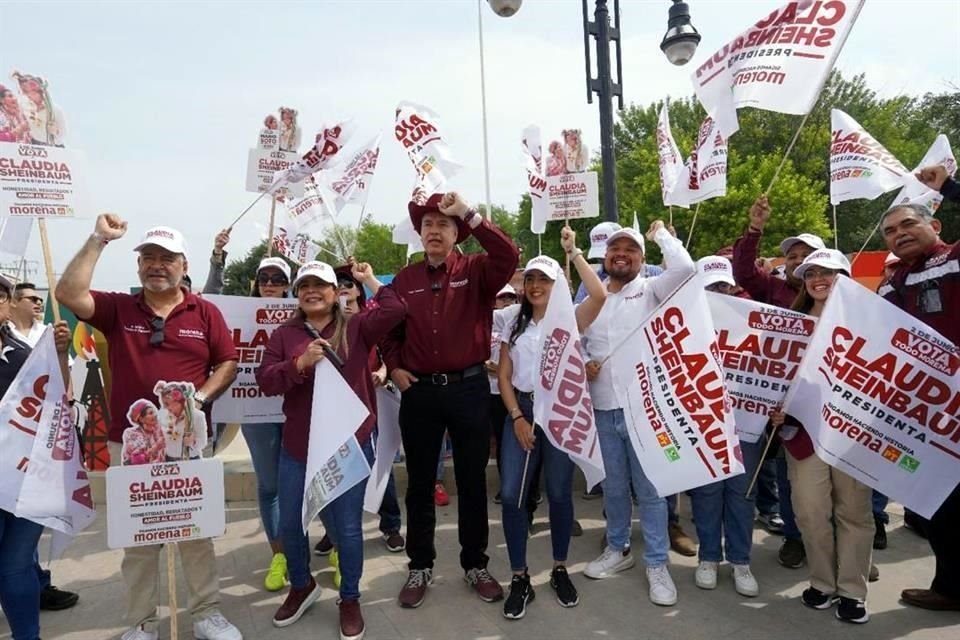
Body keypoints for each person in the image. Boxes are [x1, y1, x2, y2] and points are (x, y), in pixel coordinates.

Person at [55, 217, 243, 640]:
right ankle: (141, 621)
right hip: (133, 444)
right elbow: (68, 293)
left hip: (189, 442)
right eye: (149, 258)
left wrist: (201, 398)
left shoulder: (205, 311)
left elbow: (227, 363)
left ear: (183, 264)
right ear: (138, 265)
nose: (157, 266)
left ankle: (208, 611)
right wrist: (99, 239)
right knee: (138, 537)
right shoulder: (119, 308)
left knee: (196, 531)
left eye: (167, 259)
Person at [382, 191, 519, 608]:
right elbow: (389, 329)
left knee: (473, 481)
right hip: (420, 391)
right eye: (427, 225)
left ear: (456, 232)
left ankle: (475, 562)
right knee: (420, 483)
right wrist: (394, 365)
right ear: (420, 234)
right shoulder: (404, 280)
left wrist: (469, 213)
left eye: (443, 224)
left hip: (469, 389)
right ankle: (419, 565)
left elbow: (508, 254)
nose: (434, 231)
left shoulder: (478, 269)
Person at [257, 260, 405, 638]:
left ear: (334, 291)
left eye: (320, 285)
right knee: (292, 522)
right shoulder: (285, 334)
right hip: (299, 447)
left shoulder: (357, 326)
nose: (311, 291)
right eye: (304, 285)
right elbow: (267, 381)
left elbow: (396, 309)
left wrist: (367, 277)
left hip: (348, 447)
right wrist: (299, 363)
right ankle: (302, 585)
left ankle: (350, 597)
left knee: (348, 529)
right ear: (297, 292)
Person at [581, 221, 695, 606]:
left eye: (630, 250)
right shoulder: (591, 299)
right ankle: (618, 549)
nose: (622, 255)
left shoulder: (652, 289)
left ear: (642, 260)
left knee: (650, 492)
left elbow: (684, 269)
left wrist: (661, 234)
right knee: (613, 488)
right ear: (605, 257)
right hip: (602, 409)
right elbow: (569, 341)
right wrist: (583, 363)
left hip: (645, 410)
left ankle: (657, 562)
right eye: (616, 249)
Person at [497, 226, 606, 620]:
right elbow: (505, 377)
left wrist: (574, 252)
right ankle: (520, 577)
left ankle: (559, 568)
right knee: (512, 495)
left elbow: (599, 295)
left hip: (560, 412)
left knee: (560, 493)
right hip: (523, 411)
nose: (537, 285)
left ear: (558, 284)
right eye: (531, 278)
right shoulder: (513, 322)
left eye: (545, 278)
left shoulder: (571, 320)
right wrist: (516, 417)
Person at [769, 248, 872, 624]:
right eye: (812, 272)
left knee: (854, 513)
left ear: (845, 276)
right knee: (811, 513)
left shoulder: (869, 322)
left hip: (851, 435)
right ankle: (822, 583)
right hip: (803, 435)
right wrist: (777, 407)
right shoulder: (791, 324)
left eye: (829, 271)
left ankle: (852, 592)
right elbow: (774, 377)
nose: (819, 278)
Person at [732, 195, 826, 570]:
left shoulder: (839, 295)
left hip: (829, 400)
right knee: (790, 475)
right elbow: (742, 272)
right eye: (791, 256)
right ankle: (795, 537)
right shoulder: (772, 289)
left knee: (839, 481)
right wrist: (754, 228)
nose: (797, 262)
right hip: (780, 403)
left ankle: (844, 547)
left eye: (806, 256)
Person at [876, 189, 960, 611]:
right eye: (890, 231)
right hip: (925, 414)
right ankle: (949, 587)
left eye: (908, 224)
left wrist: (950, 186)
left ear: (936, 225)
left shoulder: (954, 260)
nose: (899, 234)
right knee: (938, 507)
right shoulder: (892, 281)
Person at [0, 275, 72, 640]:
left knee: (15, 567)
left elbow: (58, 395)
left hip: (24, 479)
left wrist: (60, 353)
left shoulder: (20, 351)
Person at [688, 256, 762, 597]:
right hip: (704, 422)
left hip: (745, 422)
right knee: (706, 493)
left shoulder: (756, 322)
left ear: (732, 287)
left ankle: (740, 560)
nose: (716, 292)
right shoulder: (686, 325)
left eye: (721, 285)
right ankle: (708, 556)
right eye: (709, 287)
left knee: (741, 493)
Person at [488, 283, 519, 503]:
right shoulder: (485, 326)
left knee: (524, 441)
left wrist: (503, 371)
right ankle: (505, 485)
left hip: (519, 392)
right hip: (492, 394)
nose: (506, 301)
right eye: (502, 297)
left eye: (511, 297)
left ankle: (531, 489)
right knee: (502, 441)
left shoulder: (523, 324)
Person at [12, 71, 66, 147]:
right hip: (31, 148)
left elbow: (62, 135)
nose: (27, 94)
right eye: (25, 92)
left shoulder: (55, 110)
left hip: (53, 148)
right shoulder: (23, 108)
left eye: (28, 90)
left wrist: (55, 132)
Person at [122, 400, 167, 465]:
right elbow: (136, 460)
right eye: (151, 413)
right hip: (138, 473)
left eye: (155, 412)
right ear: (141, 419)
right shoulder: (132, 434)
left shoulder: (159, 431)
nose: (155, 415)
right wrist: (156, 447)